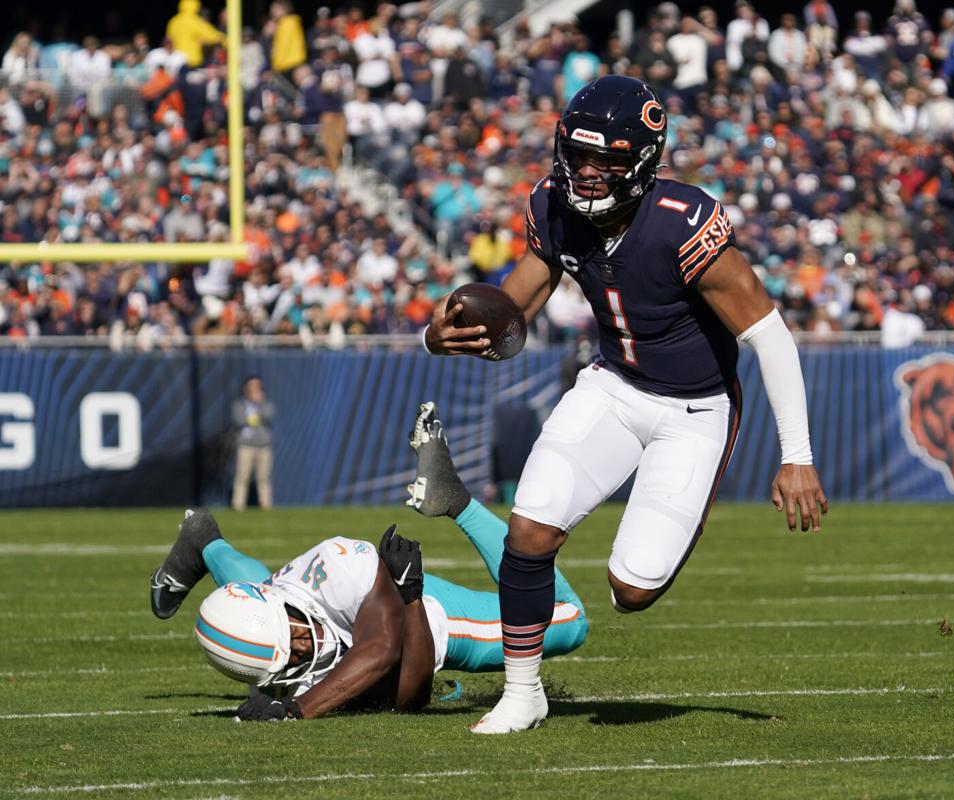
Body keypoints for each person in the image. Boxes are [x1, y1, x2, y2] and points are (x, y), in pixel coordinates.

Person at [423, 75, 828, 734]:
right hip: (613, 386)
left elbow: (768, 333)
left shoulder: (683, 222)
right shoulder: (552, 205)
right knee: (530, 527)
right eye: (578, 156)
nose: (586, 174)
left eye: (606, 160)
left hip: (695, 412)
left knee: (632, 589)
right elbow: (512, 310)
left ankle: (674, 526)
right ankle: (523, 694)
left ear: (640, 161)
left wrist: (798, 456)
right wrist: (439, 335)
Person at [148, 403, 589, 721]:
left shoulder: (342, 566)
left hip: (408, 602)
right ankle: (203, 540)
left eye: (296, 632)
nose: (306, 645)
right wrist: (410, 601)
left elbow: (380, 652)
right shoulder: (273, 670)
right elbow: (408, 698)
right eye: (294, 653)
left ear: (279, 607)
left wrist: (297, 711)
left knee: (569, 620)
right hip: (408, 606)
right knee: (262, 595)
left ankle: (457, 501)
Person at [231, 376, 274, 511]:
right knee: (242, 477)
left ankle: (266, 506)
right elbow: (239, 420)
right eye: (252, 385)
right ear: (246, 387)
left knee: (264, 478)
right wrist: (252, 414)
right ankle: (238, 506)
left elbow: (268, 415)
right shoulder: (239, 404)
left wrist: (259, 404)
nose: (255, 389)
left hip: (263, 446)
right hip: (246, 446)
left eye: (257, 385)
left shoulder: (266, 403)